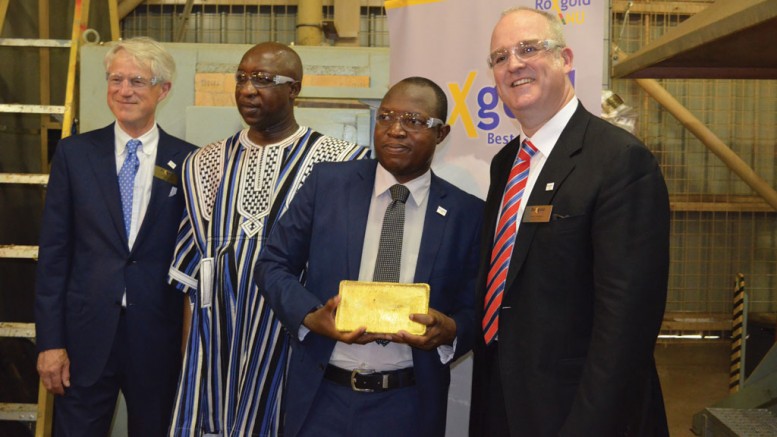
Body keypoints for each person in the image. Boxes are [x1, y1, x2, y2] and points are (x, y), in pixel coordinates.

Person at [469, 7, 670, 437]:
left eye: (529, 49)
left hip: (577, 413)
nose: (514, 64)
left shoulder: (619, 161)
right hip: (502, 403)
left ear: (566, 59)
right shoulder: (506, 162)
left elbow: (626, 329)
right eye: (500, 57)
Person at [257, 76, 483, 437]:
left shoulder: (466, 213)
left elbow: (476, 305)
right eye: (386, 117)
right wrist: (312, 317)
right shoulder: (327, 184)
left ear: (441, 134)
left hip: (408, 404)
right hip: (321, 397)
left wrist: (452, 330)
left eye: (414, 121)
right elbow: (272, 264)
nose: (395, 130)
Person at [166, 41, 369, 437]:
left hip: (292, 342)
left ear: (294, 89)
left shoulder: (343, 162)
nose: (247, 89)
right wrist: (191, 358)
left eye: (263, 79)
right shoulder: (202, 163)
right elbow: (191, 276)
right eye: (241, 78)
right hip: (214, 351)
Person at [34, 37, 196, 436]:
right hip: (84, 339)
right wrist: (50, 343)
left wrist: (193, 347)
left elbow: (195, 261)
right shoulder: (74, 156)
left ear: (164, 89)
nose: (125, 91)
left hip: (158, 339)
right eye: (116, 79)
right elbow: (54, 256)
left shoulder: (191, 162)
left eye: (138, 81)